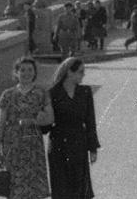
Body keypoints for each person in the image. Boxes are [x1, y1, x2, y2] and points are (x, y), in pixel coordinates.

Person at [0, 56, 52, 199]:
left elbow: (50, 117)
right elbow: (1, 124)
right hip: (12, 144)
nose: (27, 73)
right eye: (22, 70)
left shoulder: (41, 93)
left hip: (33, 144)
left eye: (30, 70)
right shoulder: (7, 95)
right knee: (14, 183)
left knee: (33, 183)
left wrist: (36, 119)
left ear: (35, 72)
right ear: (16, 73)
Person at [47, 57, 99, 199]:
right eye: (80, 72)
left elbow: (90, 121)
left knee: (79, 186)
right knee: (61, 187)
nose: (83, 75)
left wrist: (93, 148)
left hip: (78, 143)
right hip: (58, 144)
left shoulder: (85, 92)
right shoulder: (53, 93)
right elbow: (46, 125)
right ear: (70, 72)